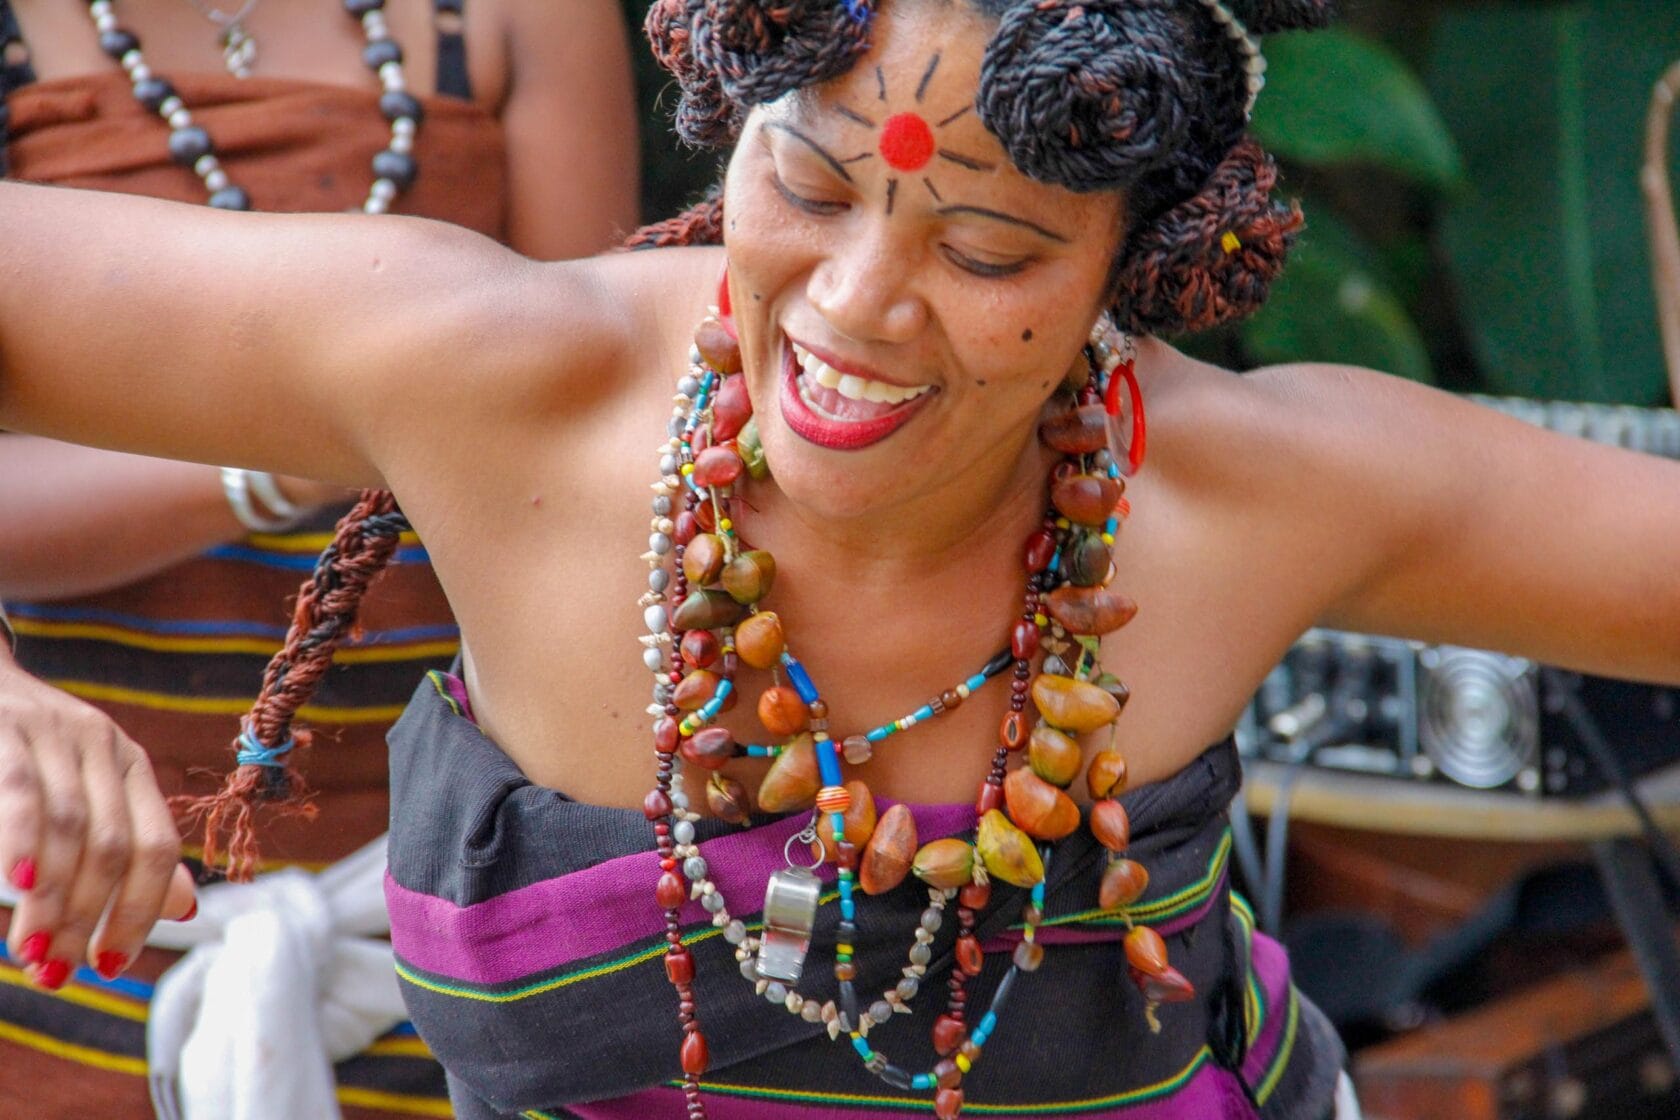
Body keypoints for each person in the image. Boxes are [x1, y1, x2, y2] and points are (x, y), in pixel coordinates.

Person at [2, 0, 1678, 1116]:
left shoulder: (1266, 489)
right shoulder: (502, 378)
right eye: (805, 184)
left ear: (1135, 260)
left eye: (991, 246)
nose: (856, 309)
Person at [0, 0, 637, 1117]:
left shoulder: (524, 18)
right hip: (72, 863)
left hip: (449, 889)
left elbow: (591, 452)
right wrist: (335, 435)